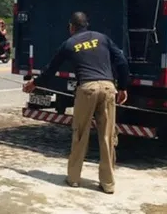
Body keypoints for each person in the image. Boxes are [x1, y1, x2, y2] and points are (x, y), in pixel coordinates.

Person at [23, 11, 128, 194]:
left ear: (71, 27)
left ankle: (73, 178)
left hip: (87, 88)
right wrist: (124, 87)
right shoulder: (102, 38)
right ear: (86, 25)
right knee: (107, 136)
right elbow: (122, 61)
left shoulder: (69, 44)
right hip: (108, 87)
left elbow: (51, 70)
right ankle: (108, 183)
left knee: (80, 133)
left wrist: (34, 84)